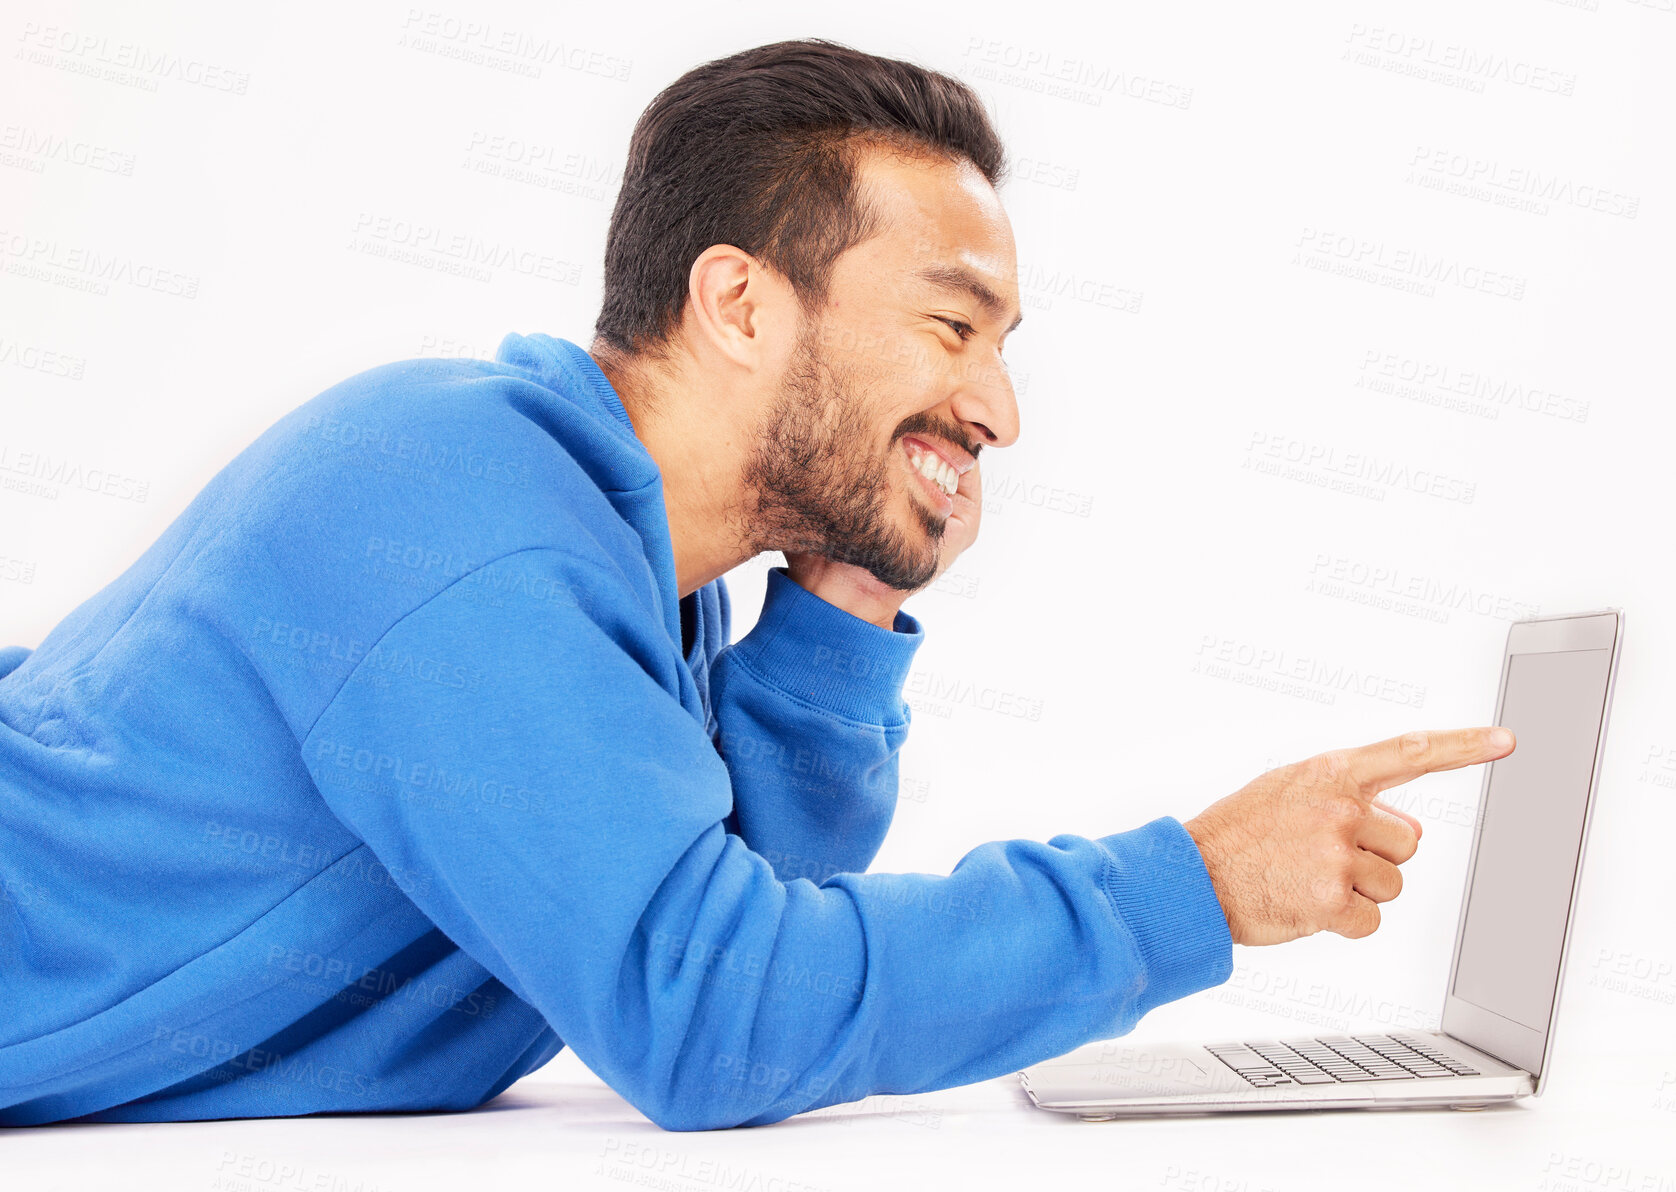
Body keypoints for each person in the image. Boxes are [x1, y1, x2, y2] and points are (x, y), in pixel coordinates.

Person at [0, 38, 1513, 1130]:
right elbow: (717, 1011)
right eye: (950, 327)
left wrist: (844, 608)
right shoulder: (462, 503)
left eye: (1004, 348)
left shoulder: (638, 583)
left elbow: (752, 907)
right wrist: (1192, 887)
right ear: (738, 301)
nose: (999, 412)